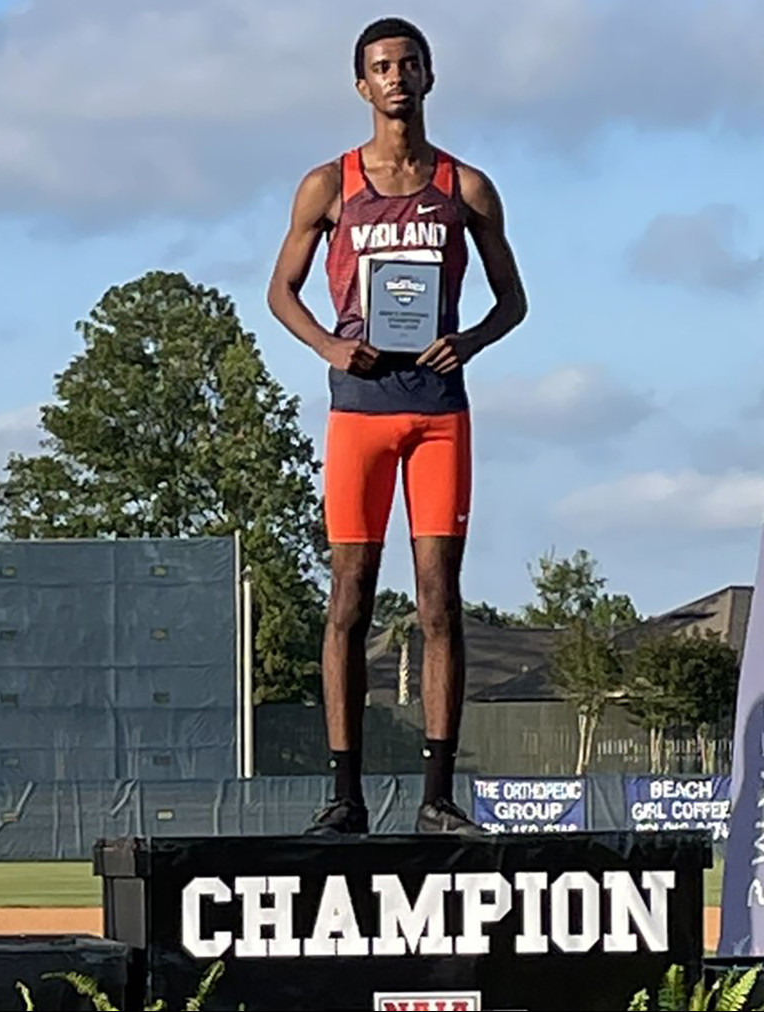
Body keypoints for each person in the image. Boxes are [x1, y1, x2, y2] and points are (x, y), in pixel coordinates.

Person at [267, 17, 527, 837]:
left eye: (408, 64)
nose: (396, 78)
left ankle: (437, 796)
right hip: (360, 413)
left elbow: (513, 301)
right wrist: (330, 347)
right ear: (361, 85)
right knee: (348, 597)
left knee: (439, 599)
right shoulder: (330, 185)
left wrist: (469, 341)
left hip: (439, 413)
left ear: (428, 76)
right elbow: (280, 291)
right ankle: (345, 796)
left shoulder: (464, 187)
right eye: (381, 67)